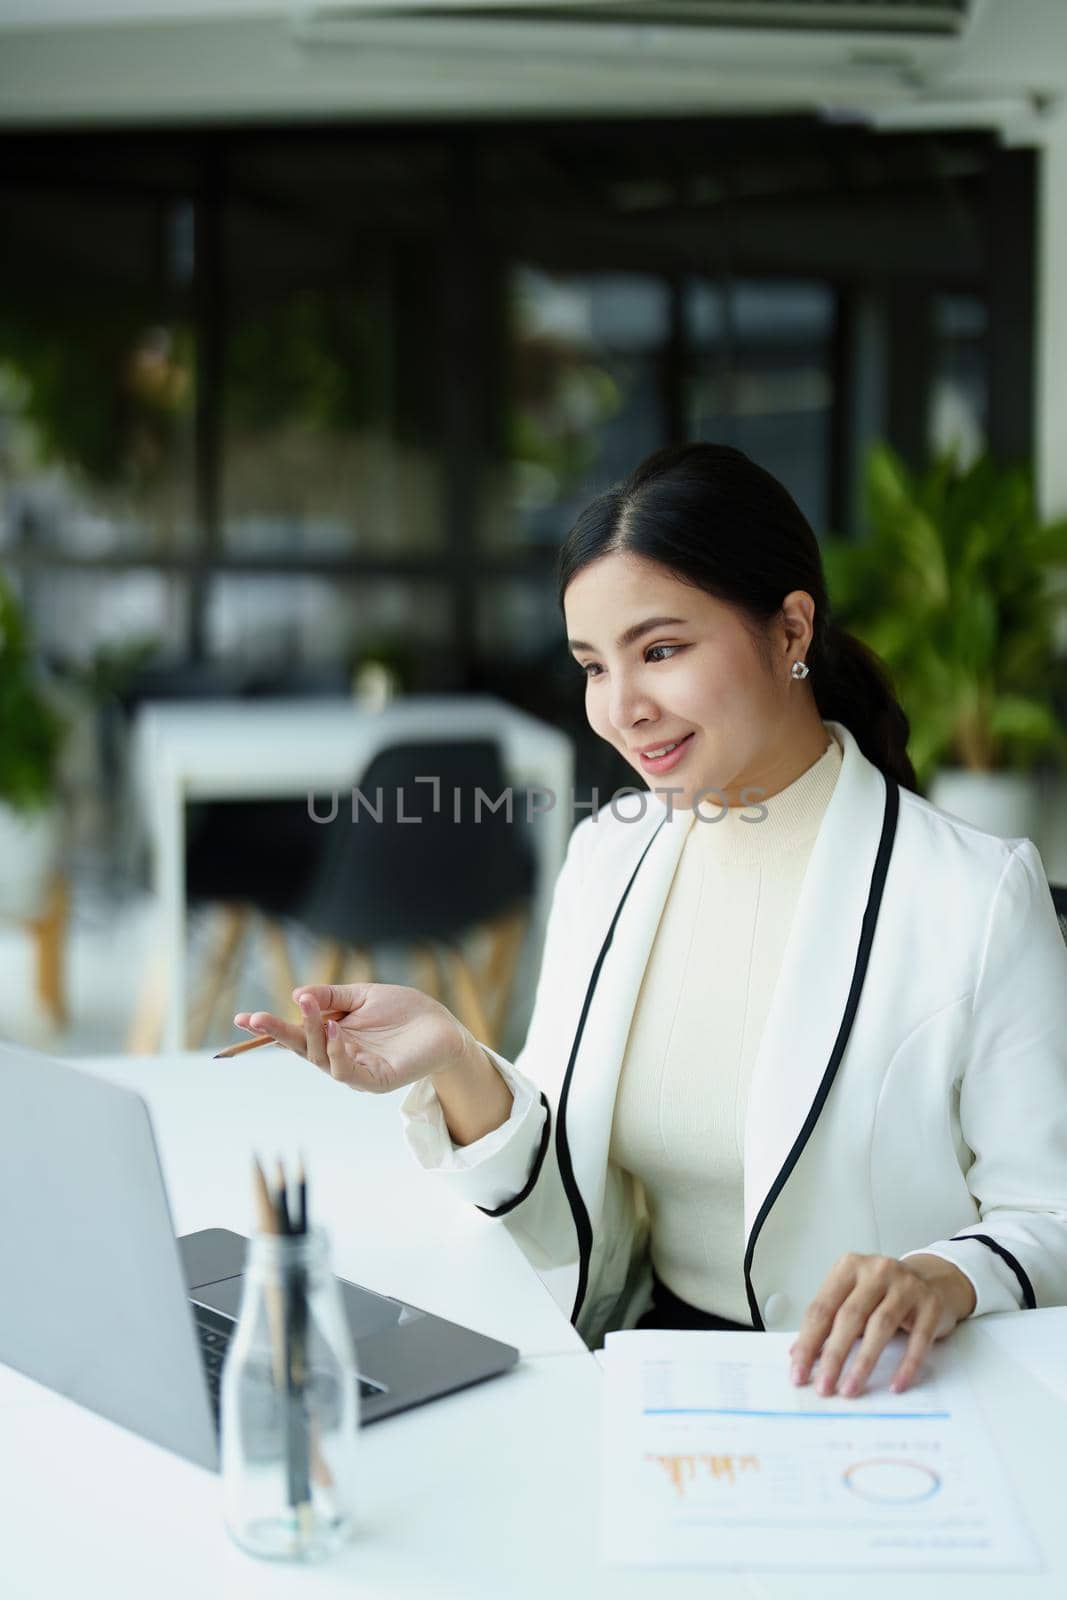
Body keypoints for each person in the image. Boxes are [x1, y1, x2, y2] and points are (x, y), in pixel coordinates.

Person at [236, 442, 1067, 1399]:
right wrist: (458, 1063)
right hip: (638, 1373)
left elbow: (1047, 1211)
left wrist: (943, 1275)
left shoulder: (973, 894)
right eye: (593, 665)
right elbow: (577, 1216)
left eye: (660, 650)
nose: (620, 708)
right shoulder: (609, 856)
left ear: (790, 630)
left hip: (867, 1398)